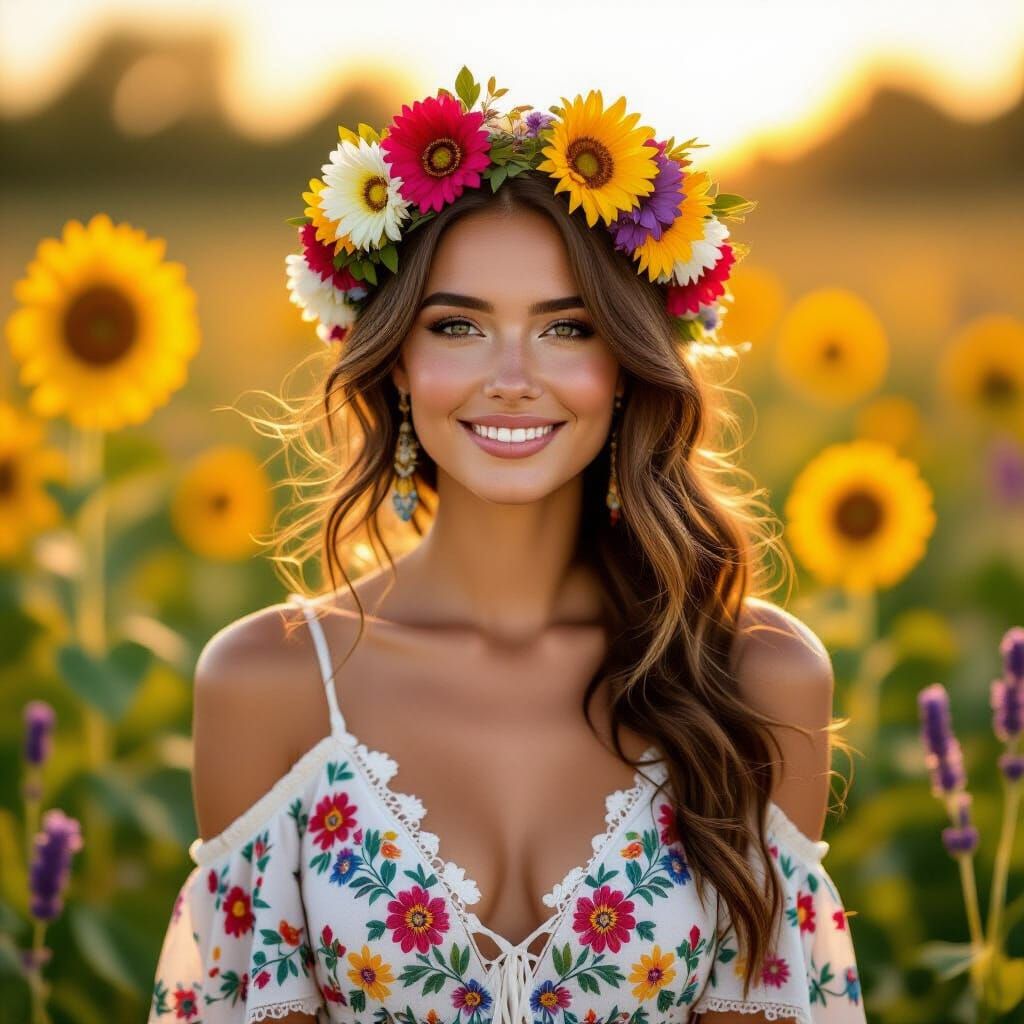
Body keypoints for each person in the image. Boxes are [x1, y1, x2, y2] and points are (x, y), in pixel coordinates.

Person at [148, 77, 866, 1024]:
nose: (513, 379)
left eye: (568, 328)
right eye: (459, 326)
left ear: (629, 364)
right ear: (397, 362)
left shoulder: (753, 676)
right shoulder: (269, 685)